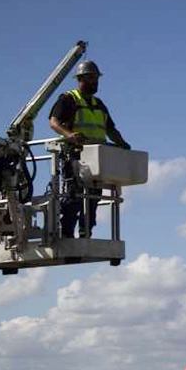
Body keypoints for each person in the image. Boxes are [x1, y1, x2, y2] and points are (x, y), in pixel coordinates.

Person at [48, 60, 130, 238]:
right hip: (75, 155)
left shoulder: (98, 104)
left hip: (96, 158)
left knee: (93, 197)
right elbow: (53, 122)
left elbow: (110, 129)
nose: (95, 82)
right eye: (92, 78)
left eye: (96, 78)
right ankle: (67, 232)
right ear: (81, 79)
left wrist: (123, 145)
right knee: (74, 195)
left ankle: (86, 230)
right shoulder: (69, 99)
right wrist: (68, 135)